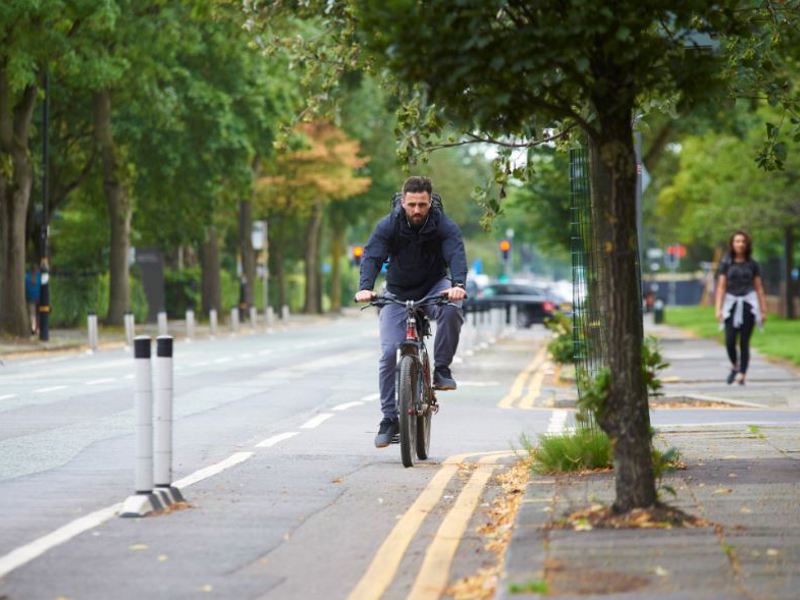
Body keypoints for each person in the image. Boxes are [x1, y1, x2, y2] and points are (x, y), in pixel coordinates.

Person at [355, 176, 468, 448]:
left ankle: (441, 370)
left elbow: (456, 254)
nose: (417, 210)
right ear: (403, 202)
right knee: (388, 353)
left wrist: (458, 285)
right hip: (397, 291)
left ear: (430, 202)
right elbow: (372, 256)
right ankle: (389, 419)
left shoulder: (443, 225)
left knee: (452, 309)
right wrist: (365, 288)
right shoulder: (389, 225)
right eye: (412, 205)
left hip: (433, 287)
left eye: (422, 205)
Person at [714, 230, 767, 385]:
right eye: (737, 241)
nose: (740, 244)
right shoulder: (726, 263)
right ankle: (735, 365)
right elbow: (721, 287)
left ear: (747, 244)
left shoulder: (753, 264)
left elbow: (759, 288)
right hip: (730, 304)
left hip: (748, 305)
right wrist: (718, 309)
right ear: (732, 244)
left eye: (743, 241)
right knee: (730, 341)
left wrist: (763, 310)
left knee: (744, 342)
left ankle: (742, 373)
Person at [25, 263, 41, 336]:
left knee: (33, 314)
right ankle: (36, 329)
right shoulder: (39, 276)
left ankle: (34, 328)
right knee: (37, 314)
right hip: (38, 298)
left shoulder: (27, 276)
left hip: (32, 298)